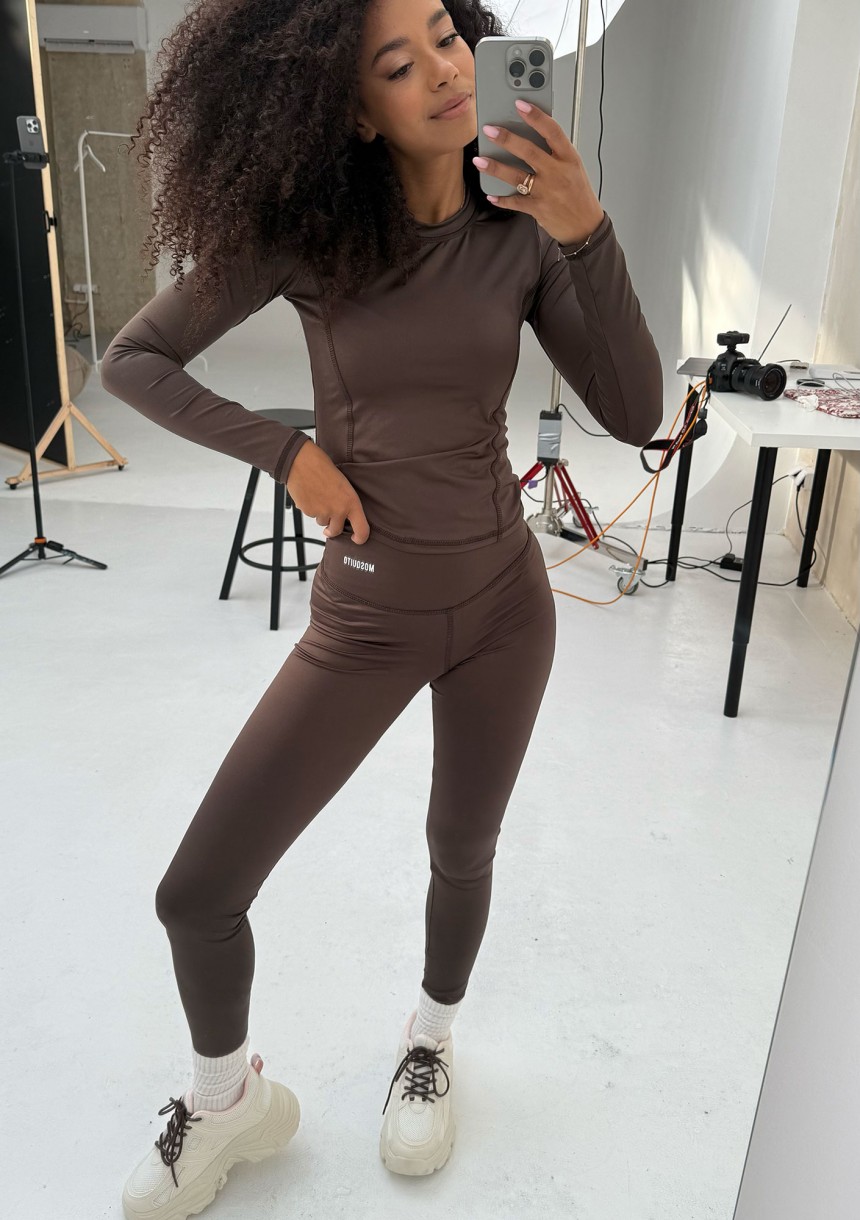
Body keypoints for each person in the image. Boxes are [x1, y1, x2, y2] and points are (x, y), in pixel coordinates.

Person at [100, 0, 663, 1215]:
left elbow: (633, 411)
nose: (445, 72)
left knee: (461, 847)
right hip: (366, 617)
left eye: (447, 38)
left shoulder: (523, 235)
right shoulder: (310, 240)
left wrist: (583, 230)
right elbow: (132, 361)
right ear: (352, 111)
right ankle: (228, 1099)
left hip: (504, 607)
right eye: (398, 65)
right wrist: (287, 454)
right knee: (197, 891)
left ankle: (430, 1038)